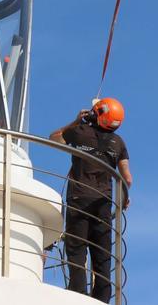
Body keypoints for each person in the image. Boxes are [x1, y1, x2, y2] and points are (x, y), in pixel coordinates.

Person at [49, 98, 132, 303]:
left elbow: (53, 138)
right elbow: (127, 178)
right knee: (102, 255)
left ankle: (78, 296)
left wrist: (76, 121)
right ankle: (101, 300)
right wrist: (123, 197)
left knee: (77, 250)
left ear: (97, 114)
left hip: (79, 198)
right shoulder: (118, 142)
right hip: (102, 203)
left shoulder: (79, 132)